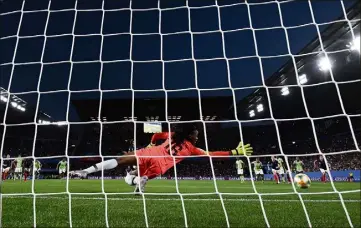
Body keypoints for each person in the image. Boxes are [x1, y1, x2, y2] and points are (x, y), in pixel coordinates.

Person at [71, 124, 253, 193]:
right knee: (131, 177)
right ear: (190, 136)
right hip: (161, 165)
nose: (197, 137)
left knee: (120, 161)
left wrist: (150, 144)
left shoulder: (172, 135)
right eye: (196, 135)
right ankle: (140, 180)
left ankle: (86, 171)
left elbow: (157, 134)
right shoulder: (193, 149)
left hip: (151, 152)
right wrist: (233, 152)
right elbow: (211, 155)